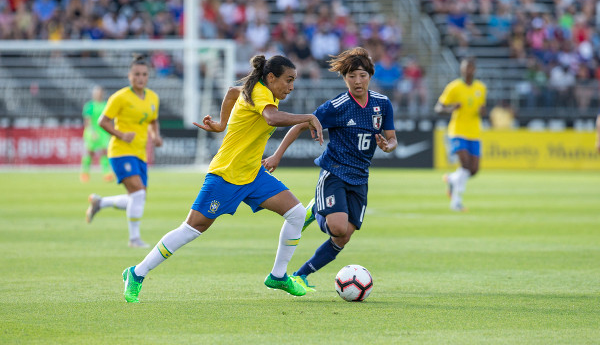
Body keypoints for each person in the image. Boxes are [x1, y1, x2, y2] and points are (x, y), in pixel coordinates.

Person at [121, 55, 324, 303]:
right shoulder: (261, 94)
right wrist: (307, 116)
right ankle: (137, 273)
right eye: (288, 80)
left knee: (296, 214)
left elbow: (230, 92)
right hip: (227, 174)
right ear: (271, 78)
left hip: (252, 173)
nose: (291, 87)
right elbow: (271, 118)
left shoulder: (257, 91)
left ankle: (278, 276)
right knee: (192, 229)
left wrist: (221, 124)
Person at [262, 47, 397, 291]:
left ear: (370, 75)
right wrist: (277, 155)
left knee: (343, 236)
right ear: (344, 78)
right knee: (336, 226)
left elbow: (392, 138)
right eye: (352, 76)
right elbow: (301, 125)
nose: (357, 81)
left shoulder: (382, 104)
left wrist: (388, 146)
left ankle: (301, 275)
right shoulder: (337, 106)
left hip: (360, 178)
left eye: (362, 75)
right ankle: (317, 209)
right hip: (334, 172)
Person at [85, 54, 163, 248]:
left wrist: (155, 135)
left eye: (144, 74)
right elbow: (102, 121)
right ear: (130, 76)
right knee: (138, 194)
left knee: (137, 198)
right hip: (120, 151)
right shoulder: (119, 97)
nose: (140, 78)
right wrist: (120, 134)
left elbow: (153, 120)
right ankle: (134, 239)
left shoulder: (153, 97)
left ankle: (100, 203)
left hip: (140, 154)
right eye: (136, 74)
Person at [435, 57, 487, 212]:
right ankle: (456, 202)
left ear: (474, 70)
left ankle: (452, 179)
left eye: (470, 67)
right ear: (461, 69)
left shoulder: (481, 88)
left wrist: (483, 112)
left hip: (474, 132)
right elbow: (438, 108)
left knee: (474, 170)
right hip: (457, 131)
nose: (467, 70)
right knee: (465, 164)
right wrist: (451, 108)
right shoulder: (454, 87)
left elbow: (481, 108)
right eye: (465, 67)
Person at [80, 85, 113, 183]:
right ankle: (85, 173)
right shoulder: (89, 106)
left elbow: (109, 119)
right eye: (96, 92)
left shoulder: (106, 105)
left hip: (103, 132)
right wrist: (92, 131)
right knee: (90, 153)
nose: (98, 94)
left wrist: (110, 131)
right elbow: (87, 121)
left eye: (100, 92)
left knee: (104, 152)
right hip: (92, 132)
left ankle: (106, 173)